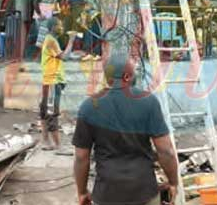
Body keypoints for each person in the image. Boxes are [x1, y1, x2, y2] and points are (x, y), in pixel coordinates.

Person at [73, 52, 178, 205]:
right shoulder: (149, 102)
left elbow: (81, 157)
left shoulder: (88, 107)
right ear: (127, 77)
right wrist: (173, 182)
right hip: (144, 192)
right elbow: (166, 151)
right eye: (133, 71)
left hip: (106, 194)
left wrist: (82, 192)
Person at [39, 17, 75, 151]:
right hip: (52, 81)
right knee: (52, 113)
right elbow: (64, 57)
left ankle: (45, 141)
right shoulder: (51, 41)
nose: (62, 28)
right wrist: (71, 40)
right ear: (53, 27)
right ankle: (58, 146)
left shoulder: (50, 40)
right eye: (59, 25)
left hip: (49, 80)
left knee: (45, 112)